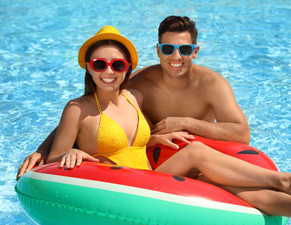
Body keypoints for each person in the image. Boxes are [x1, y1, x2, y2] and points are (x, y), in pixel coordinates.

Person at [43, 25, 291, 225]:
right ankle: (284, 180)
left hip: (149, 178)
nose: (109, 71)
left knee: (215, 181)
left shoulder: (130, 97)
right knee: (197, 151)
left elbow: (128, 141)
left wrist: (155, 136)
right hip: (122, 187)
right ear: (88, 67)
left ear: (127, 69)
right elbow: (59, 154)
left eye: (118, 65)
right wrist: (59, 151)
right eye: (100, 65)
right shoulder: (78, 107)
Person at [17, 16, 250, 178]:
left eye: (185, 50)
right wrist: (45, 150)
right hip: (148, 167)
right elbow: (83, 111)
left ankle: (284, 187)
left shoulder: (212, 84)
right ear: (158, 50)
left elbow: (242, 134)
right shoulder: (136, 84)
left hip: (186, 157)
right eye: (168, 49)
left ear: (195, 51)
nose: (176, 56)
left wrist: (184, 122)